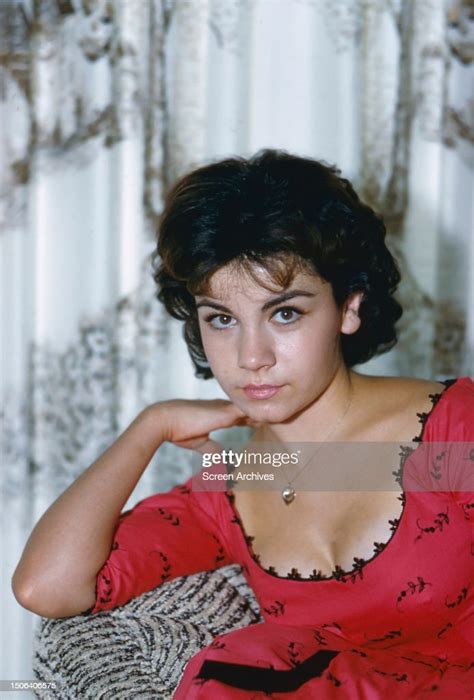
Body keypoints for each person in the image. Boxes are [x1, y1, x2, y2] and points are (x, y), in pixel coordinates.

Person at [13, 150, 473, 698]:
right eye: (222, 319)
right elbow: (48, 586)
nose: (252, 356)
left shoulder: (450, 436)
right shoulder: (237, 482)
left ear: (349, 306)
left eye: (285, 313)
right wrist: (149, 428)